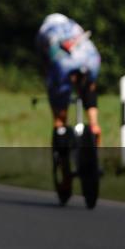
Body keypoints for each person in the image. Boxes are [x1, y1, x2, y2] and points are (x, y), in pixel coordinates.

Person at [35, 13, 102, 204]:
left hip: (61, 66)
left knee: (59, 120)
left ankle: (64, 173)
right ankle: (95, 126)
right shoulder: (74, 26)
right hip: (91, 61)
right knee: (89, 86)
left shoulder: (43, 34)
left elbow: (46, 69)